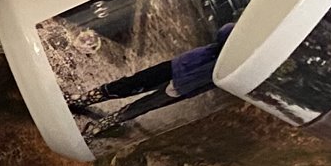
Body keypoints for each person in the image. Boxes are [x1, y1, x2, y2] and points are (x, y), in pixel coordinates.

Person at [69, 23, 234, 126]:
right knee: (133, 82)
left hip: (194, 84)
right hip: (182, 65)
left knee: (147, 105)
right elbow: (224, 32)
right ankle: (85, 98)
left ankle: (107, 122)